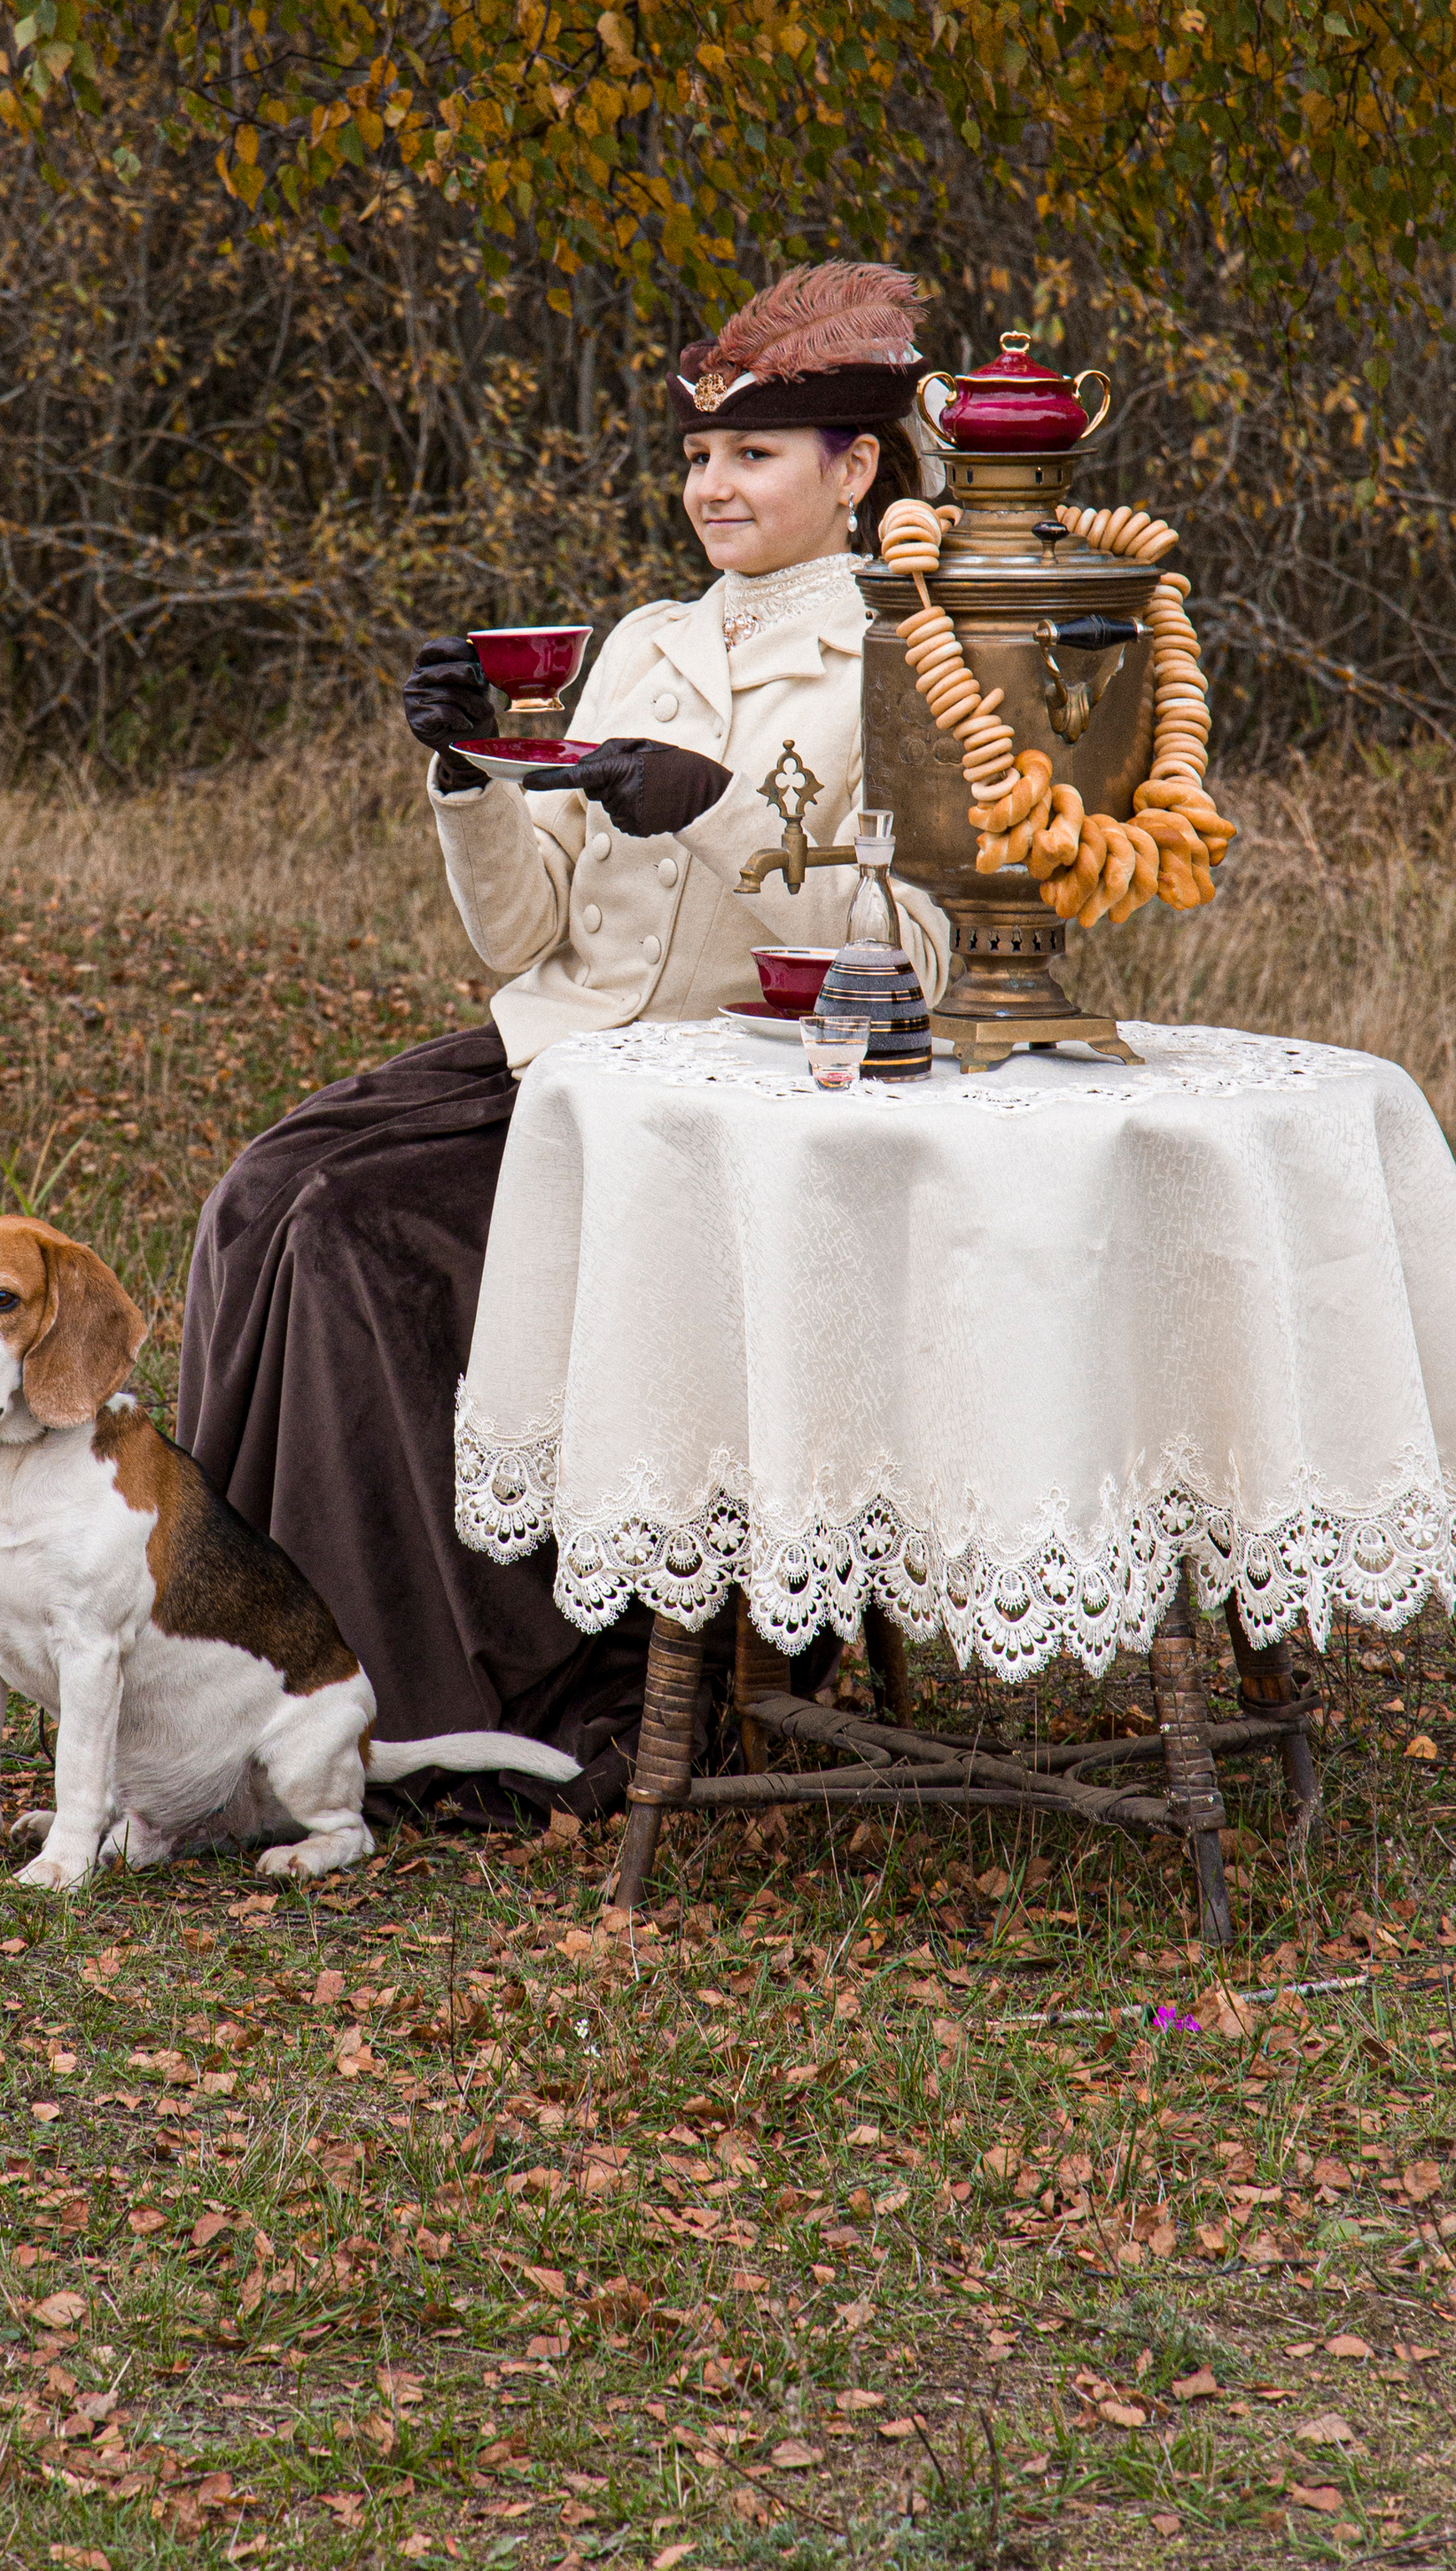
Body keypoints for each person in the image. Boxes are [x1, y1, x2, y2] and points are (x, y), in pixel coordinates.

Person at [173, 262, 947, 1810]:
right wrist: (466, 776)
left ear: (856, 471)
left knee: (349, 1239)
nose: (712, 486)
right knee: (262, 1197)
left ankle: (424, 1701)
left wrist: (717, 817)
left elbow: (919, 951)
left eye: (753, 455)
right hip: (564, 1057)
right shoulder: (649, 641)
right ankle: (220, 1676)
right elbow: (525, 939)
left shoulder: (907, 659)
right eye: (697, 457)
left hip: (744, 1098)